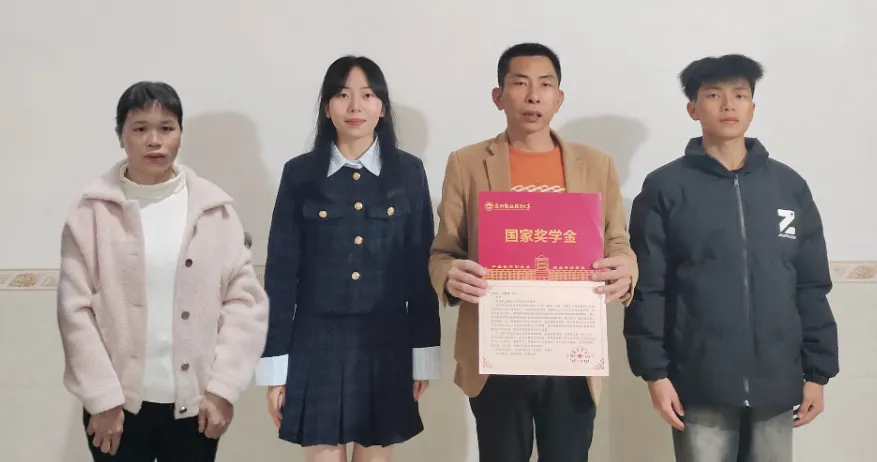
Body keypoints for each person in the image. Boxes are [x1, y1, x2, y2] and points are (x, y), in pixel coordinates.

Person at [623, 54, 839, 462]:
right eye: (713, 95)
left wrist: (817, 373)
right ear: (692, 108)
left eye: (739, 95)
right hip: (699, 383)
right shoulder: (665, 187)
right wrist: (655, 373)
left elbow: (811, 286)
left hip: (777, 384)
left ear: (752, 107)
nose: (728, 105)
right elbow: (649, 288)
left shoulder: (788, 186)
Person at [428, 42, 638, 462]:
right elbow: (444, 251)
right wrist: (449, 276)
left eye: (545, 85)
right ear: (498, 96)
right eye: (520, 83)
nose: (533, 96)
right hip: (498, 350)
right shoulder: (467, 163)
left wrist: (626, 268)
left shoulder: (597, 165)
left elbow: (618, 242)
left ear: (559, 98)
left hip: (572, 350)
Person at [56, 81, 269, 461]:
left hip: (195, 406)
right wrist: (102, 398)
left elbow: (244, 305)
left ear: (180, 134)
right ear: (120, 136)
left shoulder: (214, 210)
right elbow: (75, 311)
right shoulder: (91, 213)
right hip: (117, 407)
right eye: (140, 128)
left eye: (166, 128)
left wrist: (223, 389)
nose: (154, 140)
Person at [255, 55, 441, 462]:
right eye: (342, 95)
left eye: (367, 95)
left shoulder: (408, 173)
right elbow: (281, 276)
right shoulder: (299, 174)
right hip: (314, 342)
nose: (355, 106)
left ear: (382, 107)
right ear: (327, 107)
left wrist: (423, 354)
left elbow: (420, 272)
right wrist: (275, 367)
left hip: (386, 342)